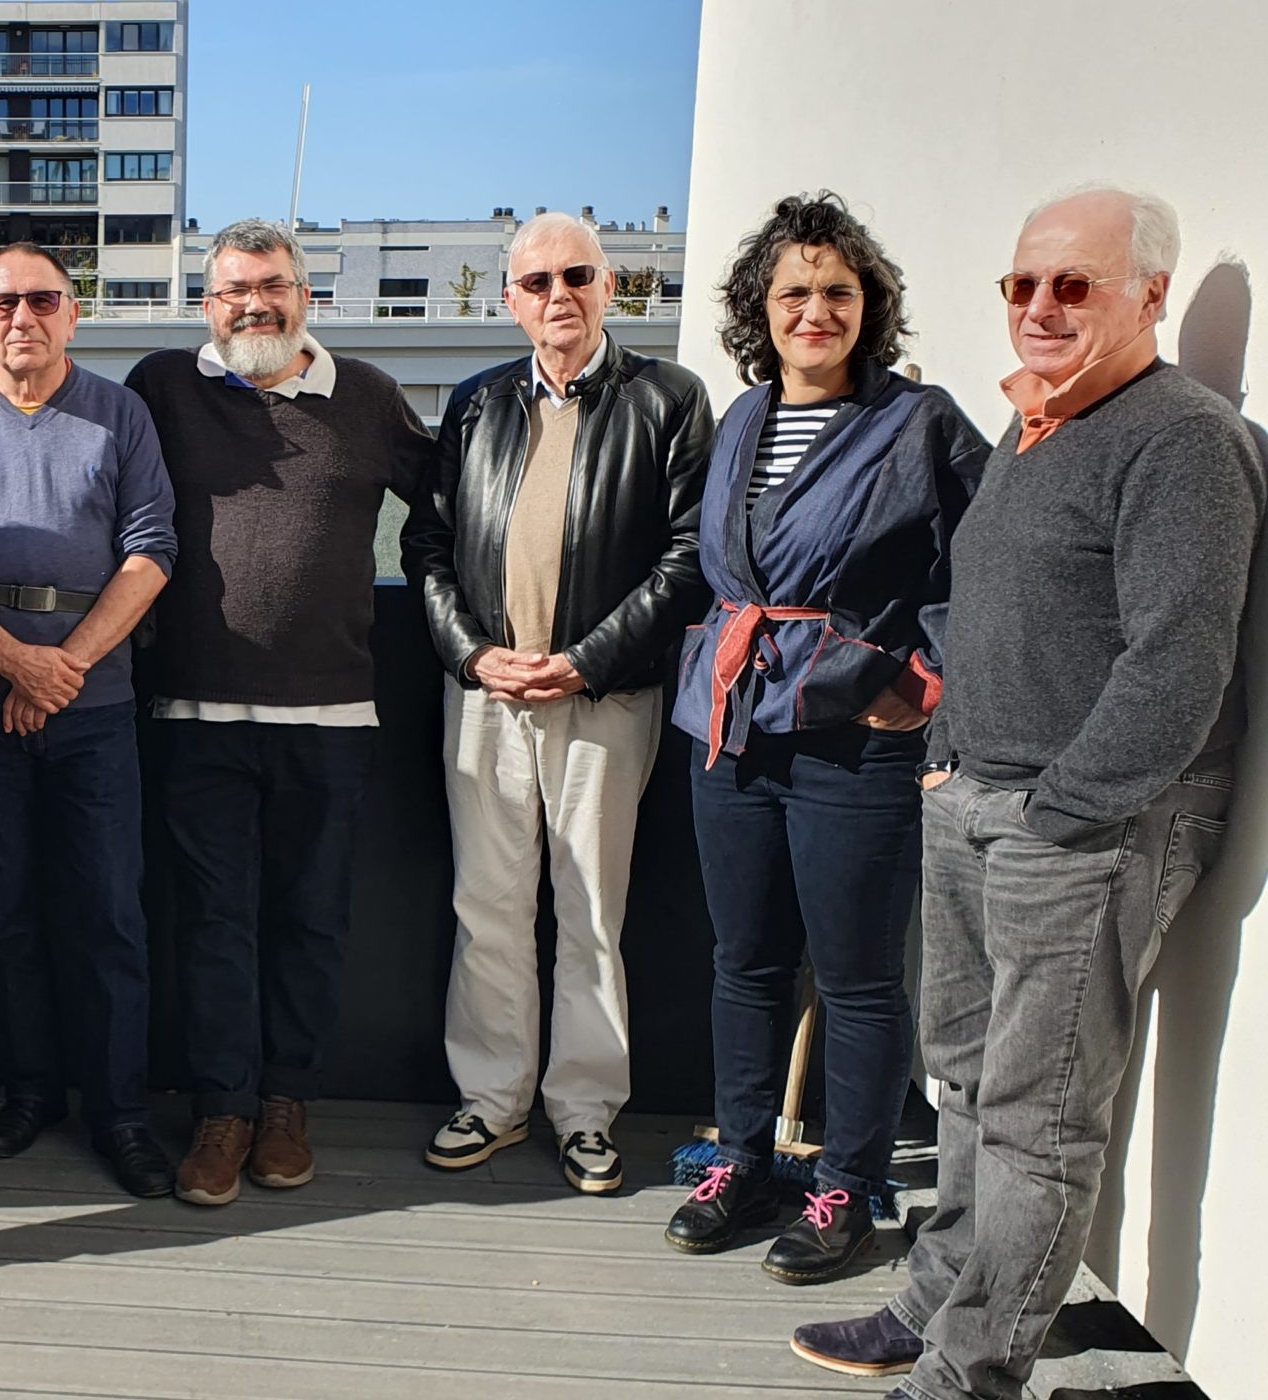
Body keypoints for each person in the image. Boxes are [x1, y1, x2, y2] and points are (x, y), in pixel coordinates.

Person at [792, 187, 1262, 1399]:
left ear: (1149, 297)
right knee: (958, 1074)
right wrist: (947, 752)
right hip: (975, 798)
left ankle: (968, 1373)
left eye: (1073, 284)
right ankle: (935, 1300)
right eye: (1023, 284)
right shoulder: (1036, 420)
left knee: (1035, 1117)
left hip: (1086, 825)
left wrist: (1063, 810)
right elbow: (991, 610)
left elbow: (1177, 661)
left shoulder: (1183, 441)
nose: (1040, 307)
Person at [660, 194, 988, 1281]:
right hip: (733, 727)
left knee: (856, 978)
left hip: (851, 735)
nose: (815, 311)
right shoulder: (742, 417)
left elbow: (986, 558)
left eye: (837, 292)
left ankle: (847, 1184)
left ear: (868, 305)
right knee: (745, 962)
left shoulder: (918, 421)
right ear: (761, 307)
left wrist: (928, 678)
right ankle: (741, 1159)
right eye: (794, 292)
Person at [405, 211, 717, 1194]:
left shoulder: (668, 398)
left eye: (576, 276)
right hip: (488, 697)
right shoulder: (474, 404)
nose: (558, 297)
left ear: (609, 285)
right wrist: (471, 655)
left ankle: (584, 1113)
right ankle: (492, 1100)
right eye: (536, 282)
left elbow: (689, 558)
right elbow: (427, 546)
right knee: (487, 909)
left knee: (590, 914)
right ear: (511, 301)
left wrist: (585, 661)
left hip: (603, 698)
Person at [124, 219, 430, 1206]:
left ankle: (287, 1101)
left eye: (272, 286)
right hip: (195, 710)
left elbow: (452, 511)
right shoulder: (161, 388)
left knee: (310, 920)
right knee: (211, 922)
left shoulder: (369, 397)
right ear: (206, 304)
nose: (253, 305)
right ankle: (223, 1109)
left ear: (306, 296)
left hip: (331, 715)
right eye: (233, 290)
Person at [0, 242, 180, 1199]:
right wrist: (14, 661)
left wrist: (62, 668)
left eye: (43, 300)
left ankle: (121, 1112)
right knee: (6, 909)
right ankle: (30, 1091)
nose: (24, 317)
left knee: (110, 916)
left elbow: (151, 551)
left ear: (73, 313)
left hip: (94, 709)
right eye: (4, 302)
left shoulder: (120, 414)